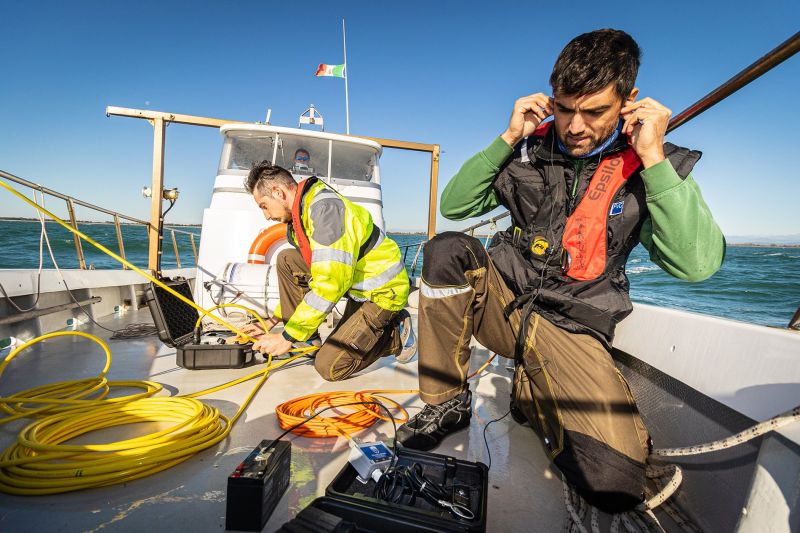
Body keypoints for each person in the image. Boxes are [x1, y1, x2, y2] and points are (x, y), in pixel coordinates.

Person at [395, 29, 725, 513]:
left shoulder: (649, 168)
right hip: (505, 307)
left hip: (572, 322)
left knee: (613, 483)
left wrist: (653, 157)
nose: (574, 126)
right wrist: (510, 136)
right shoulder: (530, 149)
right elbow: (455, 205)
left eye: (594, 112)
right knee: (446, 250)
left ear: (629, 101)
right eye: (566, 108)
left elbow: (696, 266)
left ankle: (533, 393)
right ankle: (447, 400)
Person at [242, 161, 416, 381]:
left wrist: (286, 337)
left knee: (330, 366)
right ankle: (309, 340)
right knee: (287, 259)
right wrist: (271, 321)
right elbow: (317, 274)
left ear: (278, 192)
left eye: (264, 206)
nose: (266, 215)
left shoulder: (325, 210)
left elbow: (330, 282)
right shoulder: (301, 217)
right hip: (355, 287)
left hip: (382, 294)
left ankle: (396, 332)